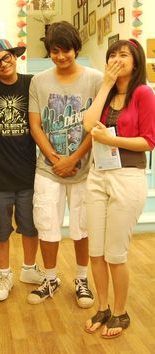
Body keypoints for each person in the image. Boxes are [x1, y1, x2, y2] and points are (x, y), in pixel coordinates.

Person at [27, 21, 103, 306]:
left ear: (76, 49)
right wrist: (56, 158)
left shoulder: (95, 79)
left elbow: (95, 125)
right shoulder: (39, 81)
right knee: (46, 224)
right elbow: (35, 125)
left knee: (83, 227)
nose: (61, 56)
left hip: (85, 169)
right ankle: (50, 278)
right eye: (55, 51)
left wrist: (73, 158)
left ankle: (82, 279)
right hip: (48, 168)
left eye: (66, 50)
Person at [83, 39, 155, 338]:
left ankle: (121, 312)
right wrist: (106, 84)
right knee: (95, 253)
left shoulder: (143, 93)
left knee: (115, 253)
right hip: (97, 174)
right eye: (112, 54)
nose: (116, 58)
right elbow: (89, 124)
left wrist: (112, 141)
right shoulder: (107, 91)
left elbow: (149, 141)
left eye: (123, 54)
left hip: (127, 176)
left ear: (136, 61)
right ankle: (103, 307)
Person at [0, 39, 45, 302]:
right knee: (0, 229)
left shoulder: (32, 83)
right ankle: (4, 274)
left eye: (6, 58)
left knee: (31, 226)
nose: (3, 64)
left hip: (28, 171)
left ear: (15, 56)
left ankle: (28, 268)